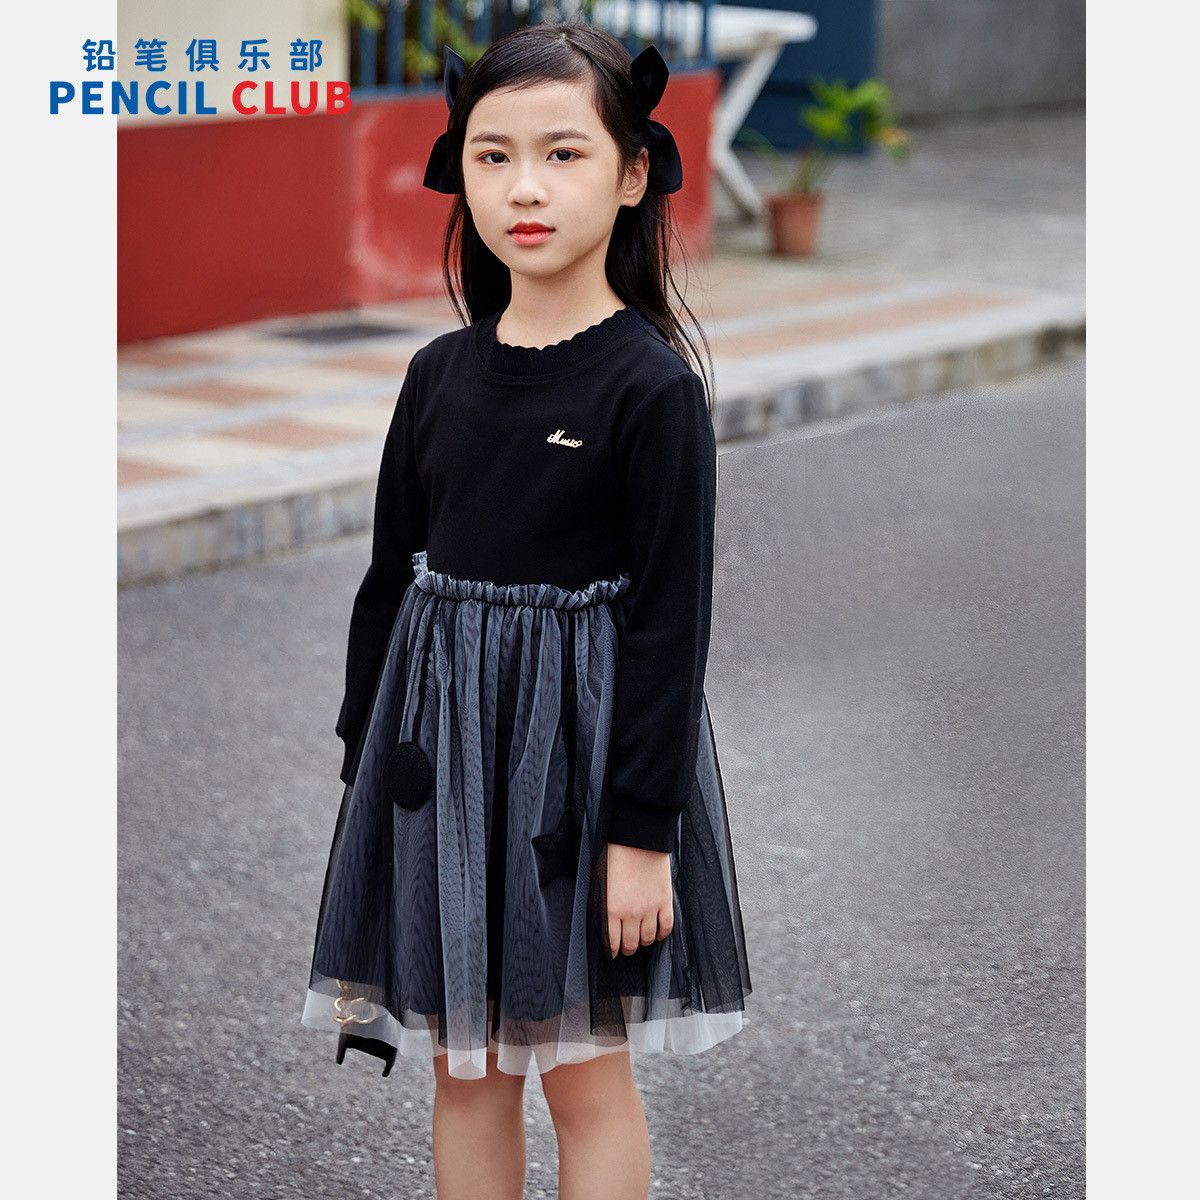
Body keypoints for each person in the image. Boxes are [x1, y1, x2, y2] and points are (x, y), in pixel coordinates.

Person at [301, 21, 752, 1200]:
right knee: (467, 1069)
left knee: (582, 1078)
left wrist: (642, 837)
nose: (525, 188)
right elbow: (390, 579)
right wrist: (364, 777)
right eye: (493, 156)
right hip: (441, 774)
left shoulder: (649, 389)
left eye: (563, 153)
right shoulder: (437, 376)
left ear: (633, 173)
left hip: (579, 783)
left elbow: (669, 629)